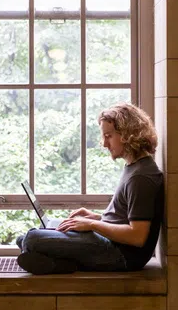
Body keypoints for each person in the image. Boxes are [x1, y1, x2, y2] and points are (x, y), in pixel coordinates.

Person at [15, 103, 164, 275]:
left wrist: (92, 224)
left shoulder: (141, 177)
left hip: (120, 255)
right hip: (110, 243)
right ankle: (61, 263)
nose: (104, 144)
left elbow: (137, 236)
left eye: (108, 136)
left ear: (128, 135)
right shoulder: (135, 167)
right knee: (25, 239)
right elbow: (127, 219)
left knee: (32, 239)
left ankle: (63, 263)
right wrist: (96, 217)